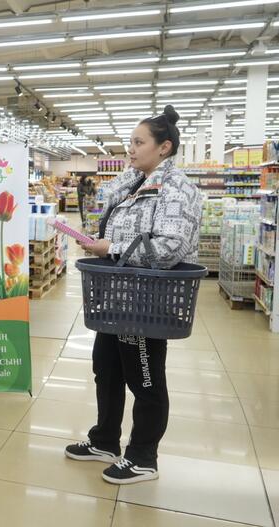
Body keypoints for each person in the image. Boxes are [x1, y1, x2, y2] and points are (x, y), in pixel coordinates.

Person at [64, 105, 203, 485]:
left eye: (139, 142)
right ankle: (105, 441)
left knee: (145, 378)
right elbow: (116, 216)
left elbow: (169, 248)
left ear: (164, 147)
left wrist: (110, 247)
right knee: (106, 369)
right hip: (117, 296)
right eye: (130, 142)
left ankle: (143, 457)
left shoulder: (177, 190)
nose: (131, 149)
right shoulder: (137, 183)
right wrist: (98, 240)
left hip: (148, 303)